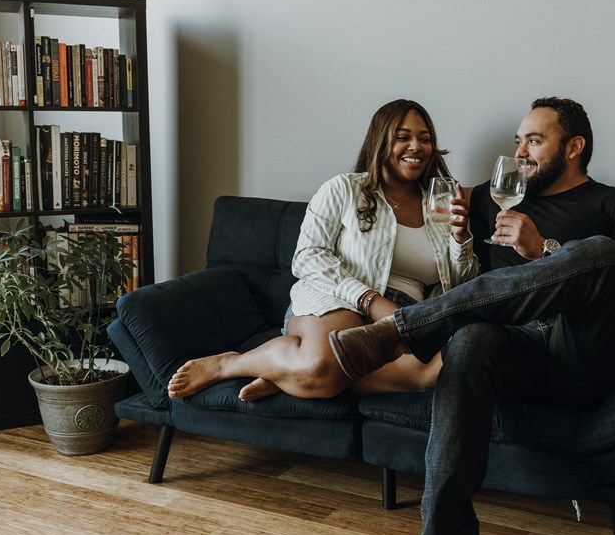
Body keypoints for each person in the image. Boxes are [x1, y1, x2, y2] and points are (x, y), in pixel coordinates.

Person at [328, 97, 615, 535]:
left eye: (534, 140)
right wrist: (454, 230)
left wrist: (541, 249)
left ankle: (403, 331)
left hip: (585, 353)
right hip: (514, 353)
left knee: (601, 253)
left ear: (574, 147)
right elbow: (417, 187)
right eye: (517, 141)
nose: (521, 151)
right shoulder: (492, 196)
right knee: (469, 341)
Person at [167, 99, 478, 402]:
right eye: (403, 137)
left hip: (403, 312)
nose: (416, 147)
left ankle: (285, 374)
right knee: (321, 366)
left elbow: (457, 284)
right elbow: (307, 257)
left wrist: (460, 238)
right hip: (338, 297)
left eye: (425, 139)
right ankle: (231, 363)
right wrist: (370, 301)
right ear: (380, 142)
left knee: (434, 371)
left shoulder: (439, 201)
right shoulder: (344, 189)